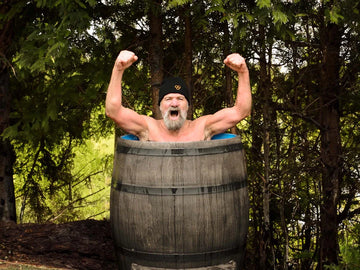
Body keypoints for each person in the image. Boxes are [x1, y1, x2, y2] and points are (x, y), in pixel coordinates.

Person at [105, 50, 252, 142]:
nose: (174, 103)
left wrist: (243, 72)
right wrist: (118, 69)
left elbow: (241, 111)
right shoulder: (148, 128)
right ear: (160, 106)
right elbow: (113, 111)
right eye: (168, 99)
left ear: (188, 106)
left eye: (180, 99)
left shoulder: (202, 128)